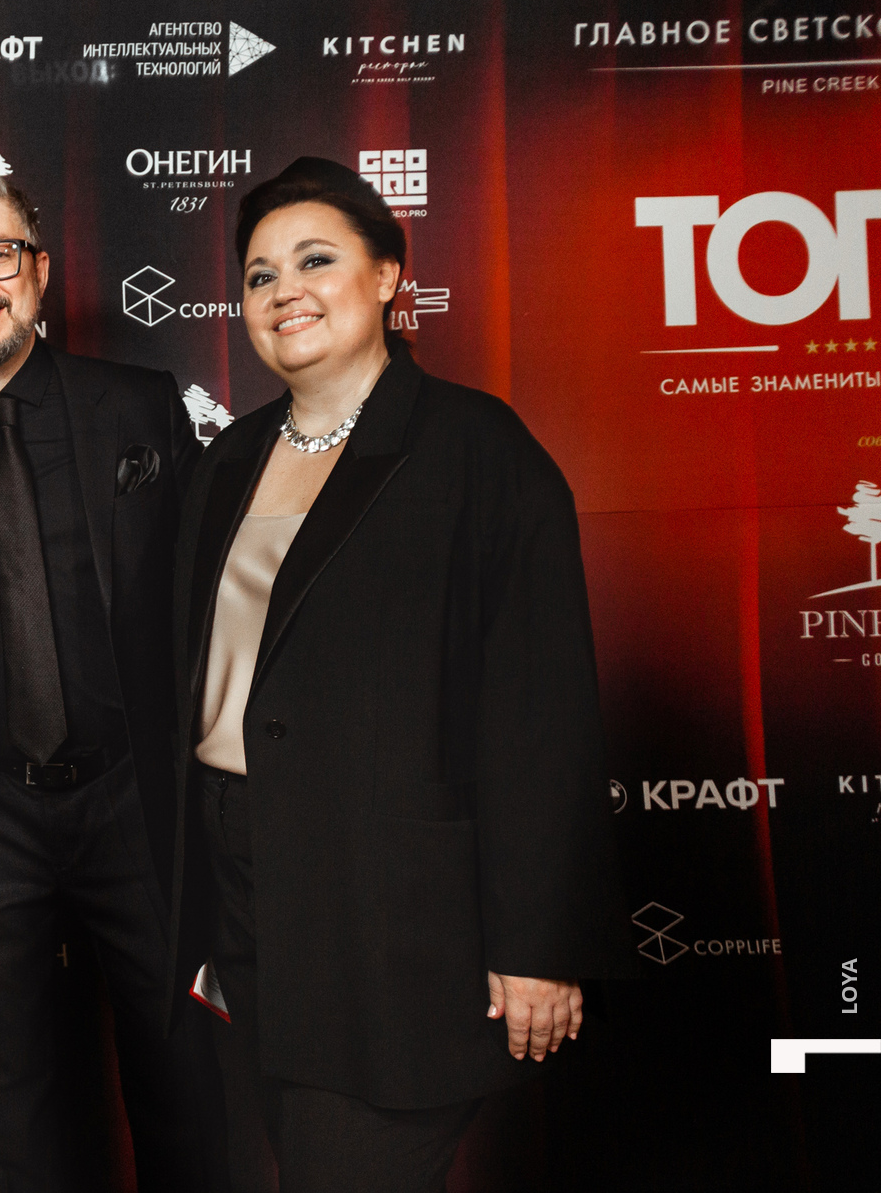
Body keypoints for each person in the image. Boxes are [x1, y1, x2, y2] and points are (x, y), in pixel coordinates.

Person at [171, 156, 631, 1192]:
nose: (284, 290)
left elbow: (541, 716)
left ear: (386, 276)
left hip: (394, 911)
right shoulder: (228, 460)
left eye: (316, 261)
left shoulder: (477, 449)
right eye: (259, 275)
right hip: (245, 892)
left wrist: (540, 943)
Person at [0, 169, 219, 1191]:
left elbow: (207, 603)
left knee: (183, 1088)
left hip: (135, 802)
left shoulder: (140, 407)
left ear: (41, 270)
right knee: (11, 1110)